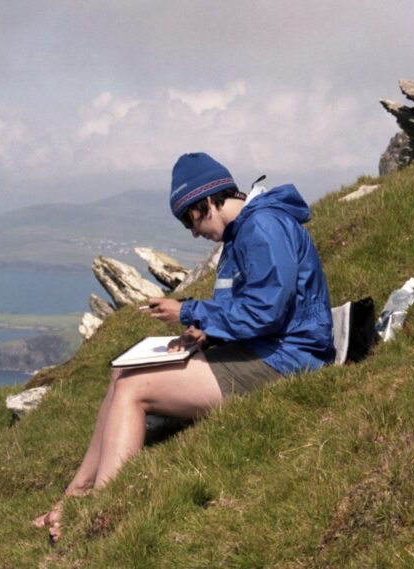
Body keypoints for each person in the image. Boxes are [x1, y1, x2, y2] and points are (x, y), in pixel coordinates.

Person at [34, 152, 334, 541]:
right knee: (123, 371)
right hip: (268, 348)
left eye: (190, 219)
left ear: (209, 201)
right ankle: (74, 495)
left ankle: (97, 515)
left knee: (134, 389)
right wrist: (205, 334)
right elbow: (253, 307)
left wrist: (189, 311)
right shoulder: (245, 231)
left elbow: (267, 314)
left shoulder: (263, 227)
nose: (193, 232)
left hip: (289, 359)